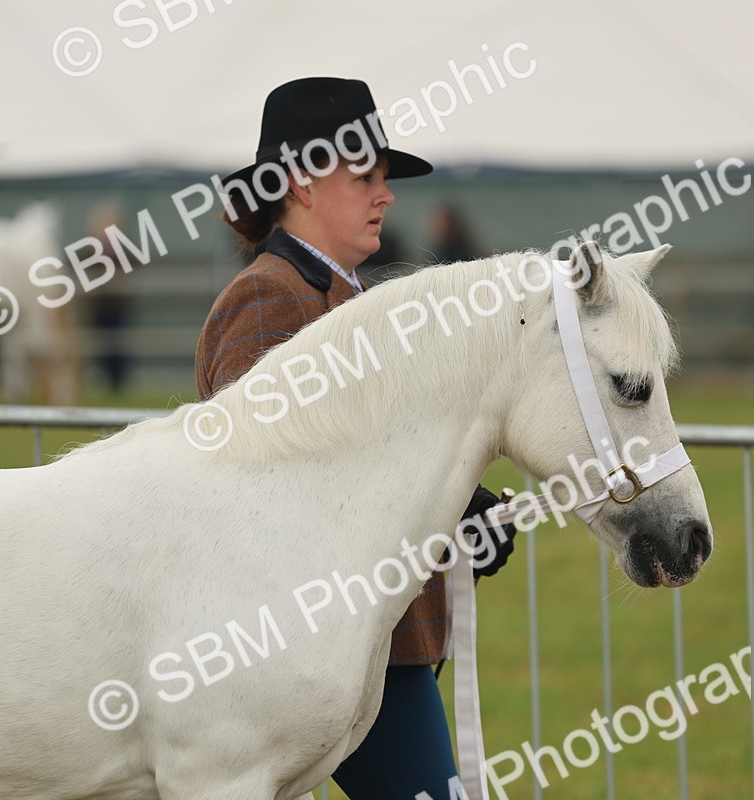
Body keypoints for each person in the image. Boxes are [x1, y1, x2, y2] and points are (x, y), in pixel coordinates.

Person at [194, 77, 517, 799]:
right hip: (322, 645)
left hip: (371, 642)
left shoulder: (343, 296)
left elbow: (372, 457)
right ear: (304, 183)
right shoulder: (268, 298)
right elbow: (259, 485)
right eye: (365, 175)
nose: (386, 194)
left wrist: (456, 506)